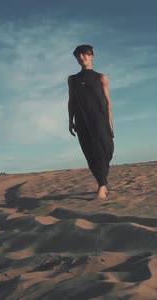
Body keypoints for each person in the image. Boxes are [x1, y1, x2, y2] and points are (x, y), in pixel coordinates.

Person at [68, 44, 115, 200]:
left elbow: (108, 103)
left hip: (99, 119)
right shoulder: (73, 79)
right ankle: (102, 185)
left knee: (106, 150)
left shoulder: (101, 77)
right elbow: (71, 101)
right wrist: (70, 121)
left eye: (84, 55)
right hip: (82, 120)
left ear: (91, 56)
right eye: (78, 56)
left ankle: (103, 181)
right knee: (90, 153)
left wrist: (110, 123)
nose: (81, 58)